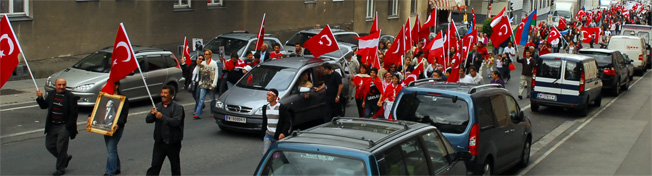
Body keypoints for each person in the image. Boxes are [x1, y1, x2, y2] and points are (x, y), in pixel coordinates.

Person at [36, 78, 78, 176]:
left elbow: (73, 114)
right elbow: (44, 106)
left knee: (61, 147)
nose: (61, 87)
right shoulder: (51, 94)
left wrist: (68, 127)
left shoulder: (70, 97)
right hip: (52, 125)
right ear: (55, 86)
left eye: (63, 85)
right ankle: (65, 158)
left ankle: (60, 168)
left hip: (63, 125)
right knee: (49, 145)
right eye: (59, 85)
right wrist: (40, 98)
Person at [87, 81, 129, 176]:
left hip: (116, 128)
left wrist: (118, 124)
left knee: (111, 148)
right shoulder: (104, 96)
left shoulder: (123, 99)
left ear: (117, 86)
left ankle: (110, 172)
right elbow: (97, 108)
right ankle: (116, 167)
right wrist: (90, 116)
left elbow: (123, 115)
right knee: (112, 148)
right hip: (105, 126)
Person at [145, 85, 185, 176]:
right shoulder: (158, 106)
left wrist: (162, 117)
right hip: (159, 143)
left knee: (175, 167)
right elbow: (148, 120)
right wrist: (152, 114)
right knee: (155, 166)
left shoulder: (178, 108)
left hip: (172, 143)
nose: (162, 95)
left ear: (171, 95)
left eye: (165, 93)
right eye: (162, 93)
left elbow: (176, 122)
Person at [261, 89, 293, 155]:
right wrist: (263, 134)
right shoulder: (265, 108)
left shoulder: (281, 108)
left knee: (278, 155)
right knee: (265, 154)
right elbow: (264, 122)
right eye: (267, 95)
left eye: (269, 95)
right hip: (268, 135)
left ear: (275, 97)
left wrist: (283, 133)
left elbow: (287, 122)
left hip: (278, 136)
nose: (267, 97)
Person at [194, 49, 219, 119]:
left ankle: (213, 112)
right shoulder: (203, 63)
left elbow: (216, 74)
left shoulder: (214, 63)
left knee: (212, 99)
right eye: (204, 54)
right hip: (204, 84)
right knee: (201, 99)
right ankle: (198, 113)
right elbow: (199, 73)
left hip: (211, 84)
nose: (205, 55)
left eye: (207, 54)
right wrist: (198, 65)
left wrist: (214, 84)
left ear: (210, 55)